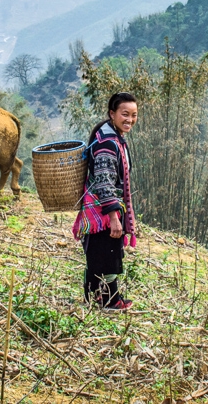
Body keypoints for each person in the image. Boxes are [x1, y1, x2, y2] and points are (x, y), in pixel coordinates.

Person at [71, 92, 138, 311]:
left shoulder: (111, 136)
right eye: (124, 114)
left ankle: (105, 297)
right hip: (101, 211)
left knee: (104, 252)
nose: (129, 119)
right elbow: (104, 181)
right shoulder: (108, 144)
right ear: (112, 114)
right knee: (106, 253)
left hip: (101, 207)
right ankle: (108, 301)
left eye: (134, 115)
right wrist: (113, 217)